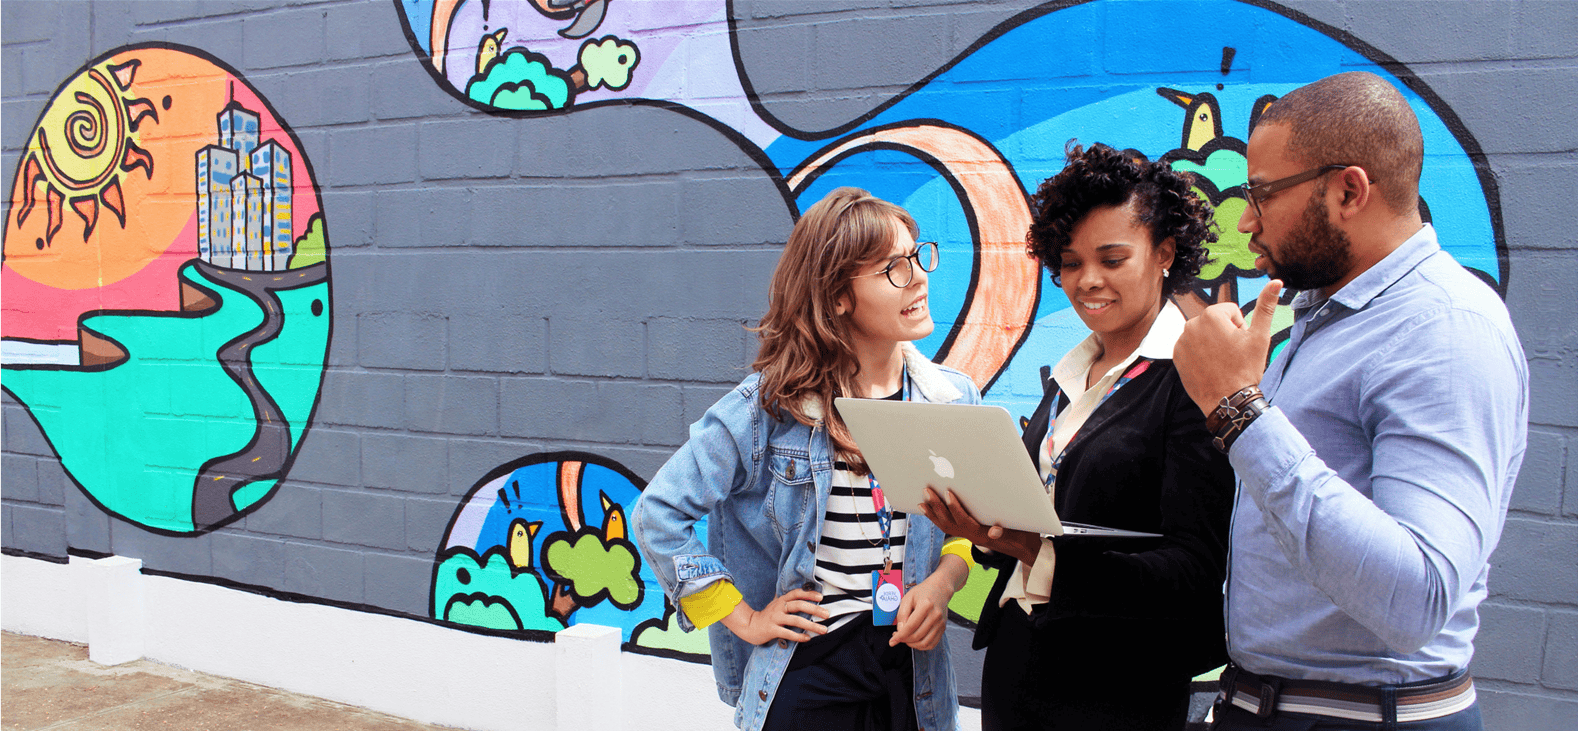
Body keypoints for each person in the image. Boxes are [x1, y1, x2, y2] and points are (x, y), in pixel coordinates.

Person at [1171, 72, 1528, 731]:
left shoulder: (1443, 329)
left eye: (1262, 193)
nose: (1246, 219)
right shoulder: (1329, 317)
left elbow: (1416, 595)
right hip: (1280, 705)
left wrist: (1236, 409)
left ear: (1348, 190)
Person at [631, 187, 979, 731]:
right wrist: (744, 618)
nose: (918, 277)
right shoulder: (768, 409)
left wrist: (942, 585)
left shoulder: (952, 399)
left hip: (912, 675)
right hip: (811, 668)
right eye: (893, 268)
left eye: (917, 256)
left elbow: (969, 526)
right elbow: (658, 514)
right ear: (838, 295)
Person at [923, 142, 1236, 730]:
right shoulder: (1070, 375)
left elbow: (1194, 572)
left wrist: (1034, 552)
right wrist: (982, 528)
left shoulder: (1193, 381)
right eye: (1070, 262)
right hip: (1021, 663)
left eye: (1112, 259)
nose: (1087, 281)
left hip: (1117, 688)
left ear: (1164, 252)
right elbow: (1040, 512)